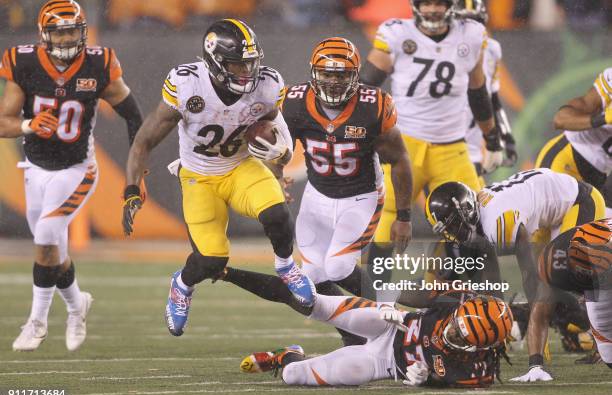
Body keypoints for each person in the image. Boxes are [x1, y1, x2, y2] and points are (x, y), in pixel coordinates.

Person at [121, 19, 315, 337]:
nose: (247, 72)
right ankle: (181, 285)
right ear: (215, 62)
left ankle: (286, 266)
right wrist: (132, 188)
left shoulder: (268, 86)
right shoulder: (187, 85)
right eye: (239, 65)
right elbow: (144, 141)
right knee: (211, 259)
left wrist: (277, 173)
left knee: (277, 212)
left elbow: (271, 134)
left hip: (241, 167)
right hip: (199, 176)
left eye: (251, 63)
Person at [0, 0, 143, 352]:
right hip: (35, 169)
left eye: (71, 30)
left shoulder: (98, 63)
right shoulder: (24, 62)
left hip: (77, 168)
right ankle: (77, 305)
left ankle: (36, 322)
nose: (65, 38)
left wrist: (138, 171)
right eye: (58, 31)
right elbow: (4, 122)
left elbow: (134, 115)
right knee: (52, 251)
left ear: (82, 31)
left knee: (47, 235)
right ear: (43, 35)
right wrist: (29, 125)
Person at [360, 0, 509, 256]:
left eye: (439, 3)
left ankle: (459, 291)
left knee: (473, 222)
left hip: (452, 148)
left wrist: (492, 137)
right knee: (386, 224)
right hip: (403, 145)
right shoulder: (397, 33)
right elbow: (365, 86)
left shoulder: (471, 34)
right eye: (426, 2)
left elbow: (477, 92)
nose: (432, 9)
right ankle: (377, 296)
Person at [278, 37, 413, 309]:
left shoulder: (372, 106)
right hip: (317, 195)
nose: (333, 81)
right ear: (314, 73)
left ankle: (391, 310)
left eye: (341, 75)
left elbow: (400, 160)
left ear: (356, 76)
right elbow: (279, 148)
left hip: (361, 197)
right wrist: (276, 176)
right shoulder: (293, 102)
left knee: (338, 267)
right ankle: (352, 333)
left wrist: (404, 216)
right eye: (327, 73)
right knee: (312, 276)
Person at [226, 268, 513, 388]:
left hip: (384, 364)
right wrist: (389, 304)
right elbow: (403, 292)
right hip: (391, 326)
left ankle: (288, 354)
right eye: (455, 325)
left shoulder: (479, 372)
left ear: (480, 347)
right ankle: (227, 273)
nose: (450, 332)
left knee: (292, 375)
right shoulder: (458, 297)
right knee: (313, 303)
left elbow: (448, 383)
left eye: (459, 337)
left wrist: (424, 379)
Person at [425, 168, 606, 302]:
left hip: (579, 202)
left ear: (467, 210)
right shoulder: (482, 217)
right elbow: (490, 283)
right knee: (548, 283)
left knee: (566, 277)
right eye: (448, 230)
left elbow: (528, 275)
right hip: (548, 218)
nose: (453, 234)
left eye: (454, 225)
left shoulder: (498, 221)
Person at [510, 218, 612, 382]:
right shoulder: (554, 265)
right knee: (609, 356)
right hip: (591, 284)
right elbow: (540, 314)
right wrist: (535, 365)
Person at [536, 68, 612, 217]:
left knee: (588, 237)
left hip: (599, 177)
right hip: (567, 159)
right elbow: (560, 119)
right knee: (542, 235)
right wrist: (603, 119)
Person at [454, 0, 517, 181]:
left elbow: (492, 99)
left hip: (472, 149)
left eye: (474, 22)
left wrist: (506, 138)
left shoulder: (491, 48)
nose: (469, 29)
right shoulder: (441, 49)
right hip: (443, 143)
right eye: (463, 22)